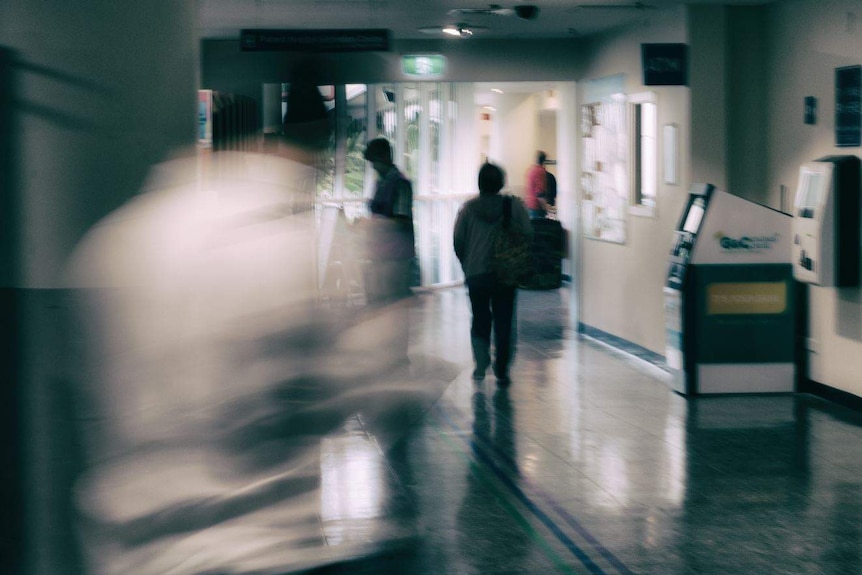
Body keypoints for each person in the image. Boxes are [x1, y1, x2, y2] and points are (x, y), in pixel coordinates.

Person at [453, 163, 532, 385]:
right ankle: (502, 367)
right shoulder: (513, 206)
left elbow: (458, 241)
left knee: (479, 318)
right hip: (505, 273)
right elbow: (527, 233)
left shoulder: (468, 209)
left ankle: (480, 363)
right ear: (501, 182)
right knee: (504, 319)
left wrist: (467, 263)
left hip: (476, 272)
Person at [362, 137, 416, 366]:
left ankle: (396, 354)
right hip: (383, 254)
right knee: (386, 305)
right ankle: (389, 351)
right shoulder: (383, 182)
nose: (373, 166)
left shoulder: (399, 183)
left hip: (395, 256)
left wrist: (375, 224)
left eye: (374, 162)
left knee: (393, 306)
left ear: (384, 158)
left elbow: (401, 220)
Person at [525, 150, 549, 218]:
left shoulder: (530, 170)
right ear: (544, 161)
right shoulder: (540, 171)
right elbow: (540, 193)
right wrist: (545, 208)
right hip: (537, 208)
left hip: (529, 206)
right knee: (539, 227)